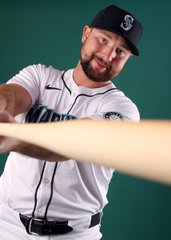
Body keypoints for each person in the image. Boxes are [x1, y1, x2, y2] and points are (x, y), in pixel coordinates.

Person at [0, 5, 143, 240]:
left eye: (121, 52)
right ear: (86, 33)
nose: (108, 56)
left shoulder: (123, 110)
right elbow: (12, 96)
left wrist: (13, 139)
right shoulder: (39, 76)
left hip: (74, 234)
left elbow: (76, 141)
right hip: (6, 224)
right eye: (103, 39)